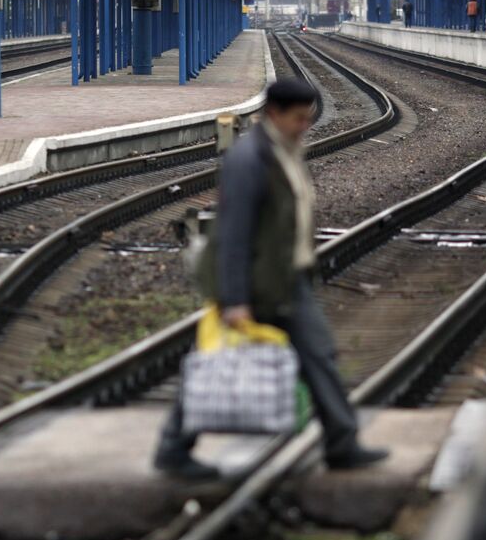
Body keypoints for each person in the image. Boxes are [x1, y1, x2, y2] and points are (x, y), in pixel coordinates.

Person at [153, 78, 390, 480]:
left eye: (307, 119)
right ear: (274, 114)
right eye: (298, 119)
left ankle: (341, 442)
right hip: (257, 283)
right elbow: (232, 233)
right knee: (222, 361)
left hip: (283, 276)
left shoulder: (283, 150)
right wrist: (234, 297)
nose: (304, 127)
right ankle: (174, 447)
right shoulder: (250, 159)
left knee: (317, 356)